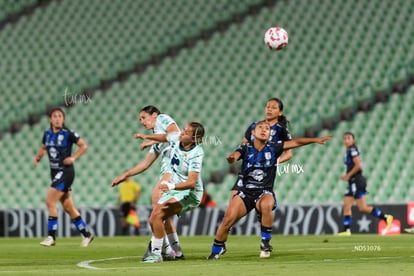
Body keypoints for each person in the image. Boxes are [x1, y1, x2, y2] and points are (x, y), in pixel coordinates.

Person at [207, 121, 331, 260]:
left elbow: (296, 142)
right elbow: (235, 155)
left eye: (267, 128)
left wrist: (315, 140)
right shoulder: (246, 148)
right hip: (245, 192)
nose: (264, 130)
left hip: (263, 192)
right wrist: (232, 158)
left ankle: (265, 242)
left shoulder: (274, 147)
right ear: (253, 132)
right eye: (261, 127)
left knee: (267, 204)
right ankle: (216, 250)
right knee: (227, 220)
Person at [112, 105, 184, 260]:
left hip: (175, 169)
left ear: (155, 115)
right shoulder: (156, 138)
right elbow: (145, 164)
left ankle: (159, 251)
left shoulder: (163, 118)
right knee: (161, 211)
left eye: (144, 117)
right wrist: (125, 175)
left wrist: (147, 138)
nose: (142, 122)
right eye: (140, 119)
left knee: (156, 202)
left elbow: (173, 134)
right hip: (167, 172)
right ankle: (175, 251)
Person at [133, 122, 205, 263]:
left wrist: (172, 186)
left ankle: (156, 254)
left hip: (189, 192)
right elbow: (165, 136)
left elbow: (192, 182)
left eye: (187, 132)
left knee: (158, 214)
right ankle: (173, 252)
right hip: (174, 189)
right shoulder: (177, 138)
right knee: (154, 218)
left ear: (194, 138)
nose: (182, 132)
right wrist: (147, 138)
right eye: (183, 129)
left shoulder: (197, 153)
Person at [33, 107, 94, 247]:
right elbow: (43, 148)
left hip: (65, 172)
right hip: (55, 173)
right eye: (55, 116)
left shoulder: (68, 133)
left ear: (63, 119)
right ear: (50, 119)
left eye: (60, 116)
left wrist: (73, 158)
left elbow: (83, 146)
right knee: (68, 206)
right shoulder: (47, 134)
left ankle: (51, 236)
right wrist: (37, 158)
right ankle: (86, 234)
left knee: (49, 201)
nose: (57, 118)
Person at [230, 97, 292, 210]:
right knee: (233, 199)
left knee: (263, 205)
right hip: (247, 169)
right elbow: (243, 145)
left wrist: (275, 161)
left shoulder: (281, 130)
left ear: (280, 112)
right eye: (268, 107)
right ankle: (229, 225)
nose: (269, 109)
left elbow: (289, 154)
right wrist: (236, 155)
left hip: (265, 172)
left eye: (273, 108)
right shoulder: (254, 126)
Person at [337, 132, 393, 236]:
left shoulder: (353, 150)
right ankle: (347, 230)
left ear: (353, 140)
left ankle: (385, 217)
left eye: (349, 138)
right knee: (349, 205)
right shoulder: (348, 150)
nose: (346, 140)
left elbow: (358, 165)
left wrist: (348, 175)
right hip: (353, 181)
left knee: (360, 207)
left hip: (357, 180)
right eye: (344, 138)